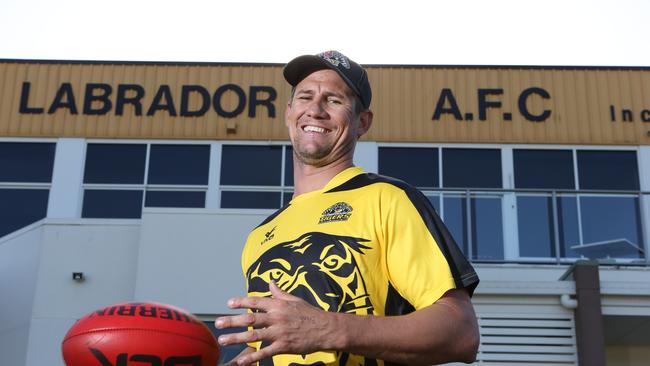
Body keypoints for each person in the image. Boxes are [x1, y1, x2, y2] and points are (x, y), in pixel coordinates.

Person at [215, 50, 480, 366]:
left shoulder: (387, 199)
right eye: (305, 97)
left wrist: (328, 328)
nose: (315, 110)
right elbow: (270, 344)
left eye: (334, 100)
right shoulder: (259, 238)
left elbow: (461, 333)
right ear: (288, 112)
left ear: (362, 122)